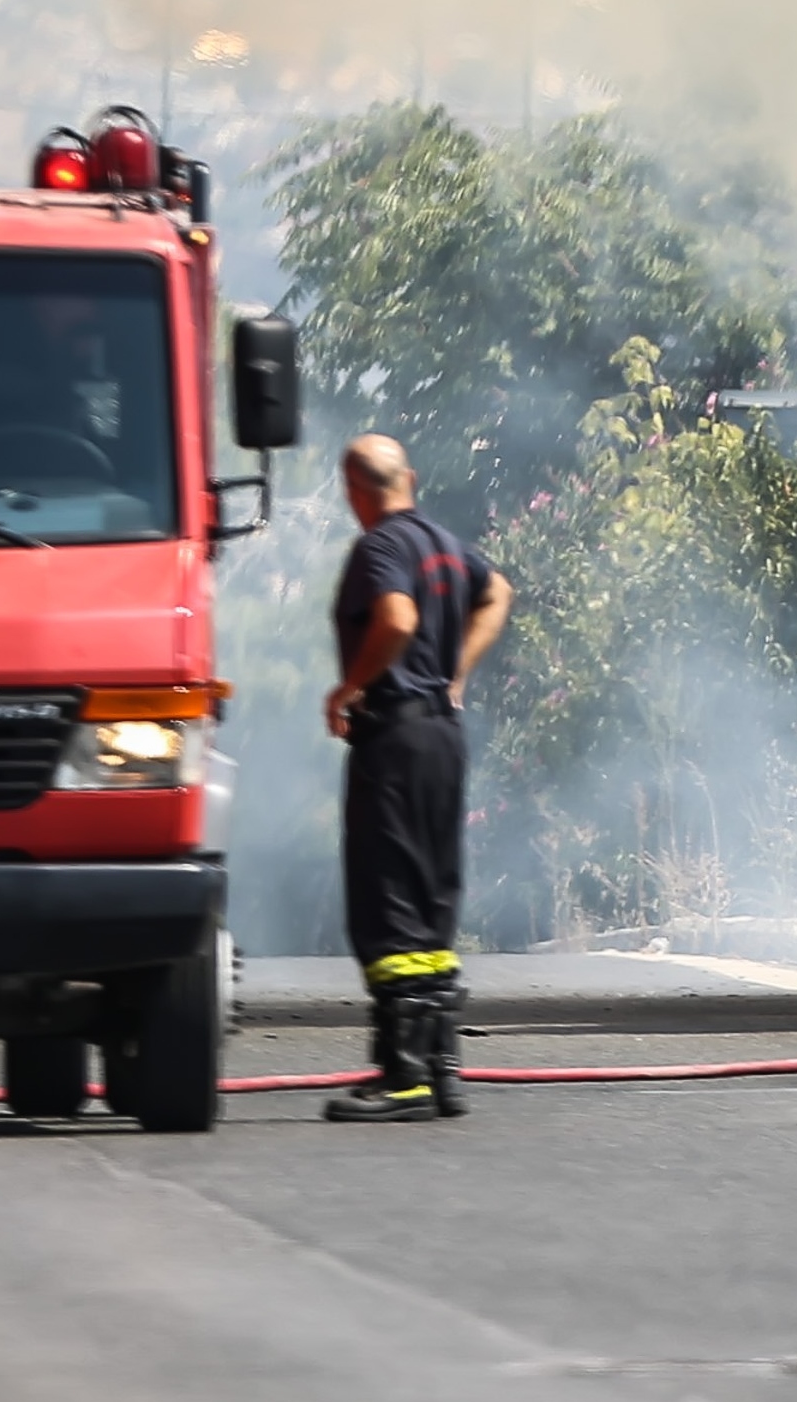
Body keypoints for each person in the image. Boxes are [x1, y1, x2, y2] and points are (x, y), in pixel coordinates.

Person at [323, 434, 513, 1122]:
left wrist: (349, 687)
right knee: (433, 896)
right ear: (410, 475)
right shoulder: (443, 542)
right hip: (443, 736)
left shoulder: (380, 548)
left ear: (354, 489)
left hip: (396, 736)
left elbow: (396, 619)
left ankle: (402, 1079)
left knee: (389, 900)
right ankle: (442, 1066)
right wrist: (457, 672)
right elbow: (498, 594)